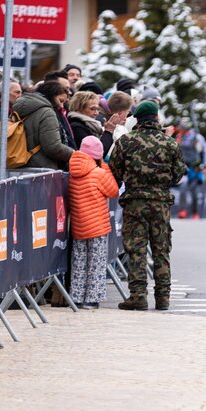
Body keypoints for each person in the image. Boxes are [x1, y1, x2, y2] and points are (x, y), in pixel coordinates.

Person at [109, 100, 187, 311]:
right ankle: (163, 298)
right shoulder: (170, 143)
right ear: (156, 118)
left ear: (137, 119)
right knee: (161, 250)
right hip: (160, 203)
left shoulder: (125, 142)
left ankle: (138, 296)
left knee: (136, 250)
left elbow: (114, 170)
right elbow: (179, 174)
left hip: (134, 202)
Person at [68, 136, 119, 309]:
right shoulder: (98, 173)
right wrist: (104, 166)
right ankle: (92, 298)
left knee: (79, 262)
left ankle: (76, 296)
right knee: (96, 263)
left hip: (79, 226)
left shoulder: (73, 173)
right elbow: (113, 191)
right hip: (97, 226)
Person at [11, 81, 75, 170]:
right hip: (42, 168)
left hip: (19, 164)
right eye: (60, 101)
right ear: (51, 95)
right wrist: (74, 154)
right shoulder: (47, 112)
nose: (61, 106)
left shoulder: (20, 108)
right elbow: (53, 147)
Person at [0, 78, 22, 166]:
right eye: (17, 92)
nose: (21, 95)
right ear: (4, 93)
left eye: (21, 92)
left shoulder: (8, 113)